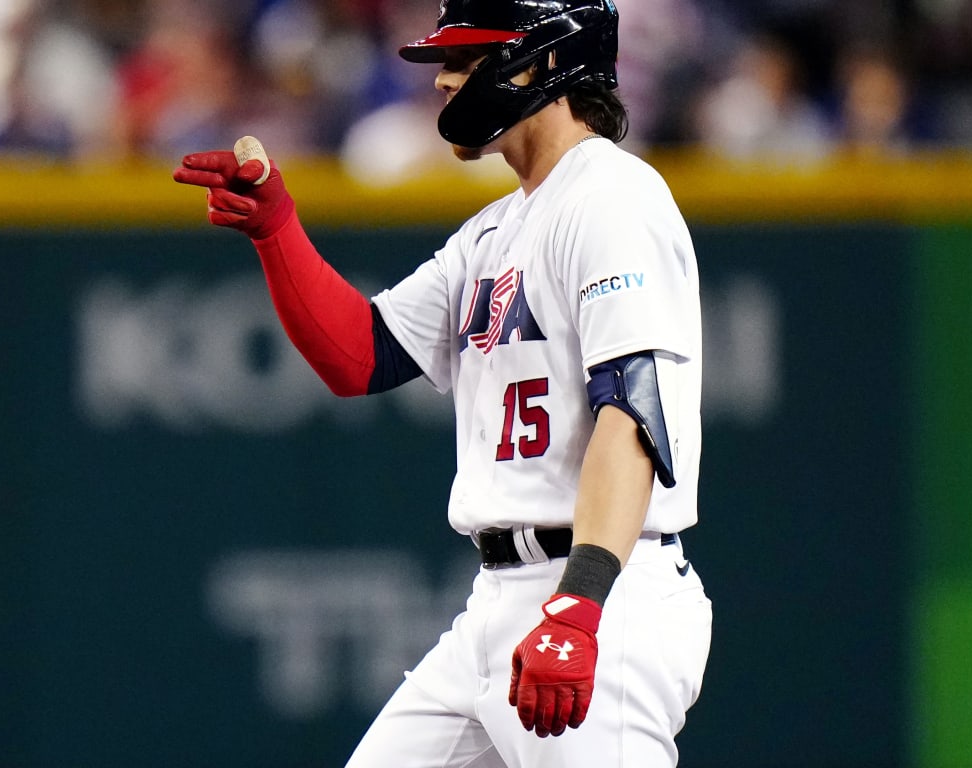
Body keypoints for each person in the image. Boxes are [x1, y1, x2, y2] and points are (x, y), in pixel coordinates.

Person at [172, 0, 711, 765]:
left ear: (541, 63)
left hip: (603, 591)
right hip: (497, 603)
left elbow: (631, 417)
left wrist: (580, 605)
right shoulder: (496, 229)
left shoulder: (613, 199)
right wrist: (277, 230)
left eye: (465, 60)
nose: (444, 81)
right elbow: (358, 355)